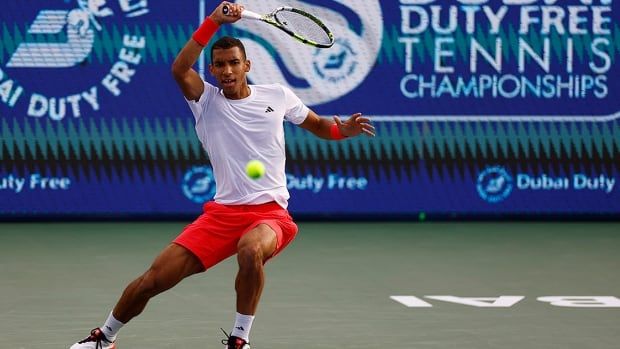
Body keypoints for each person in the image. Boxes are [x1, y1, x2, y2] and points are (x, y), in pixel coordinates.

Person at [69, 2, 375, 349]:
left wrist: (343, 131)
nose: (227, 70)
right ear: (212, 70)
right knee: (152, 280)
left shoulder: (277, 95)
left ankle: (240, 339)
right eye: (220, 65)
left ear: (247, 65)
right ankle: (104, 338)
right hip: (222, 215)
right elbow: (179, 68)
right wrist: (213, 21)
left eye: (234, 63)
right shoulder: (205, 100)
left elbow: (319, 125)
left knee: (249, 251)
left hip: (270, 214)